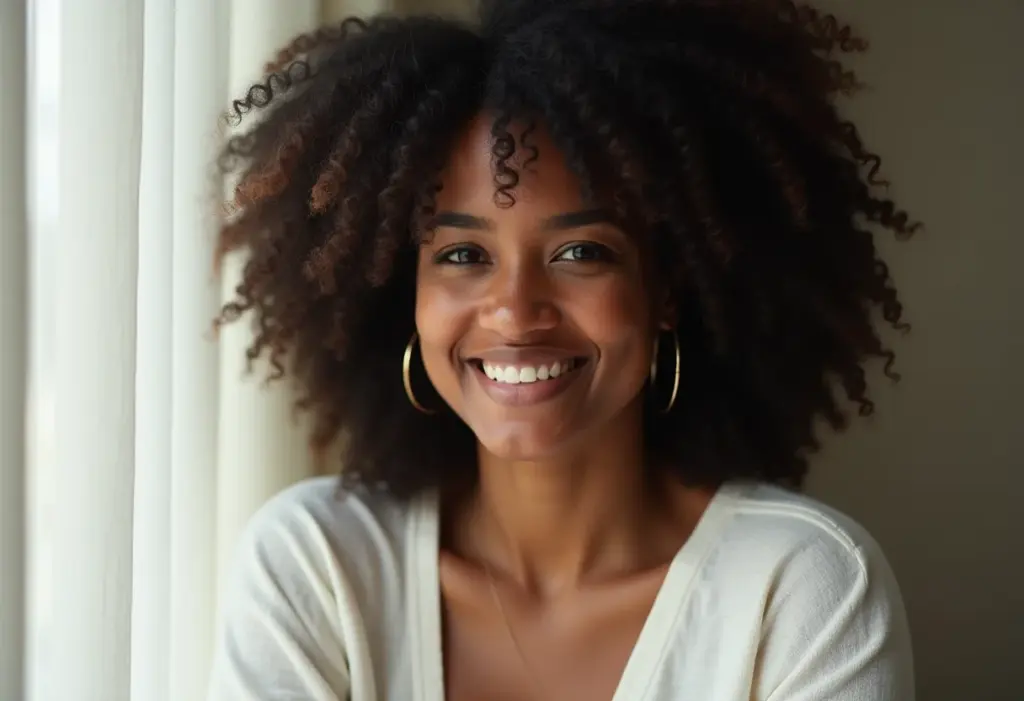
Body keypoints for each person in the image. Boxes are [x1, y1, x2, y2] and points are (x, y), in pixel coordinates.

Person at [206, 1, 918, 699]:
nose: (515, 310)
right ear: (408, 293)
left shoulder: (800, 588)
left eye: (581, 251)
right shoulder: (319, 566)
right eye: (462, 253)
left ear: (665, 288)